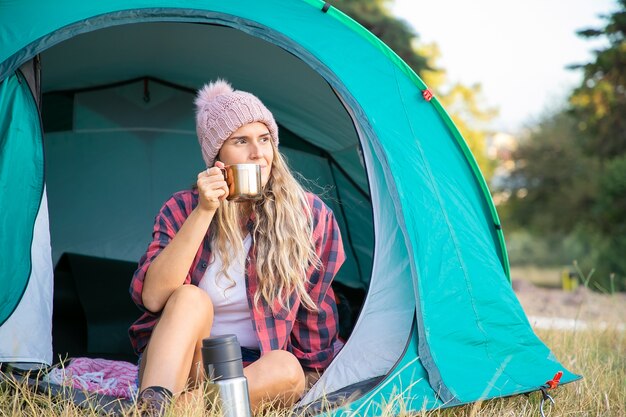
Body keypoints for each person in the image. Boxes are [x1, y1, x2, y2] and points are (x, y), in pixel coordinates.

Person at [128, 79, 346, 414]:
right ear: (217, 155)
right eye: (240, 141)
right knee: (189, 298)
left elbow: (314, 311)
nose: (258, 153)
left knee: (287, 369)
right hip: (184, 367)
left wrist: (317, 377)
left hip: (254, 373)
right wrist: (204, 211)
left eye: (264, 139)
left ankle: (184, 411)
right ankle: (155, 406)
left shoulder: (311, 216)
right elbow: (153, 297)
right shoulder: (183, 208)